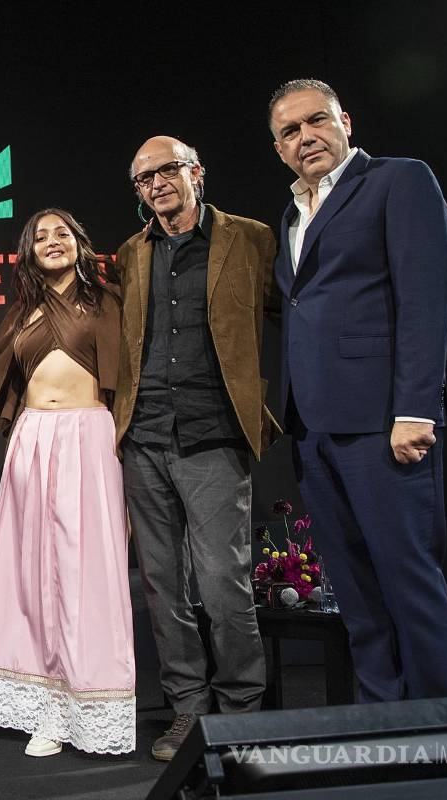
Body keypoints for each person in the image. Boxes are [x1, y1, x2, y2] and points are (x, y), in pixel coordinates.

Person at [267, 79, 447, 701]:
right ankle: (380, 721)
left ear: (344, 122)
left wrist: (415, 410)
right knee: (354, 591)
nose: (306, 138)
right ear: (278, 149)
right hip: (315, 428)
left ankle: (443, 731)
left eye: (315, 122)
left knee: (408, 580)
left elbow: (426, 301)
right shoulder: (292, 213)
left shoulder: (398, 181)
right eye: (289, 132)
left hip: (384, 424)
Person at [114, 136, 277, 761]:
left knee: (222, 584)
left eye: (166, 170)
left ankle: (241, 712)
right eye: (143, 178)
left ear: (196, 172)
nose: (156, 184)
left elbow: (296, 310)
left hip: (213, 435)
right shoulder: (131, 254)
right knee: (163, 586)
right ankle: (187, 708)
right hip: (145, 437)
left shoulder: (251, 239)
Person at [0, 208, 133, 757]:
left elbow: (128, 376)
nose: (51, 243)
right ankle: (47, 712)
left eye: (61, 234)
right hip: (32, 442)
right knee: (33, 576)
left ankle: (95, 707)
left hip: (88, 439)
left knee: (86, 575)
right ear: (27, 254)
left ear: (80, 243)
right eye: (39, 238)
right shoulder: (23, 313)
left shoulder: (109, 304)